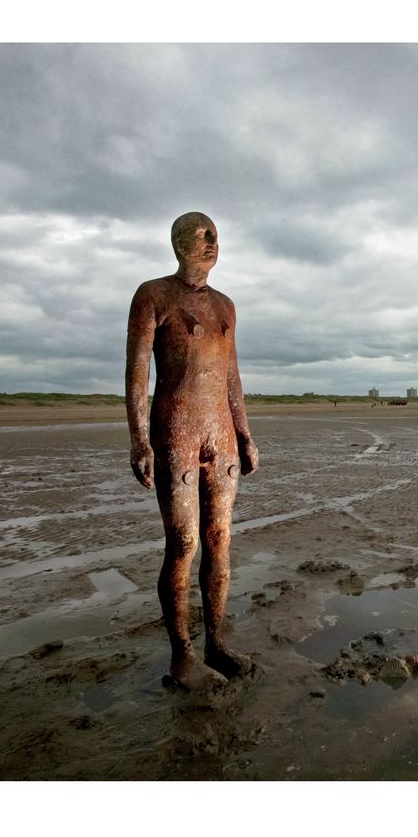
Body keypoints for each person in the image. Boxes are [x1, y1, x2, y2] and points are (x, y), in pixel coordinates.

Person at [125, 211, 260, 688]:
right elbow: (138, 372)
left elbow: (232, 377)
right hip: (175, 433)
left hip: (218, 433)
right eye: (201, 235)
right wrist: (140, 440)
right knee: (183, 544)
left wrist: (243, 434)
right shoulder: (153, 295)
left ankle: (216, 644)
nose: (211, 242)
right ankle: (182, 656)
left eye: (215, 235)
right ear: (179, 243)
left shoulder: (225, 306)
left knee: (219, 540)